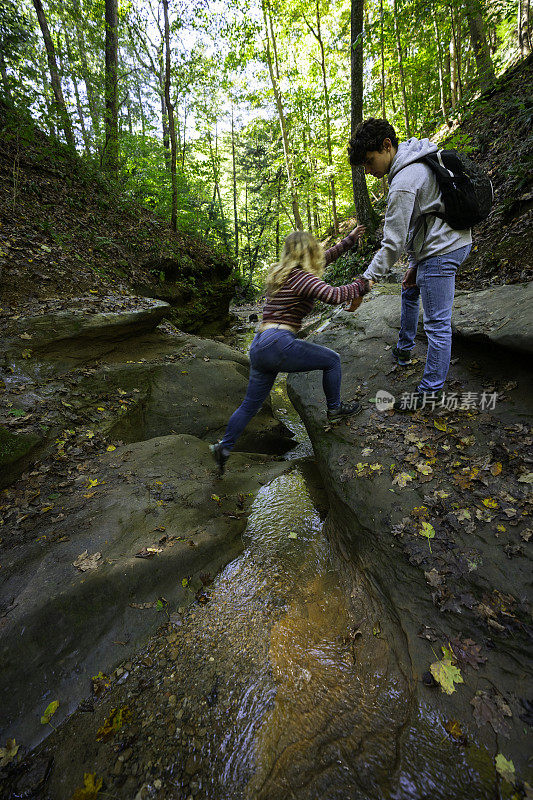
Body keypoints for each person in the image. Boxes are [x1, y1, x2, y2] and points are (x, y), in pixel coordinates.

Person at [211, 227, 369, 474]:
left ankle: (223, 447)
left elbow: (324, 259)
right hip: (278, 342)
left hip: (260, 344)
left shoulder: (283, 274)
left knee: (249, 406)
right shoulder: (303, 278)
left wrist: (349, 240)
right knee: (332, 361)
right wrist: (361, 284)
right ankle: (335, 409)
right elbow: (335, 295)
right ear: (309, 251)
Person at [347, 118, 472, 410]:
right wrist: (415, 263)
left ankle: (430, 391)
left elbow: (392, 244)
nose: (368, 171)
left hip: (442, 250)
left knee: (437, 325)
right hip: (450, 240)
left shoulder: (403, 182)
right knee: (409, 289)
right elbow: (424, 218)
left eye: (369, 161)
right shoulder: (418, 156)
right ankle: (404, 350)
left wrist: (364, 283)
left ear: (387, 146)